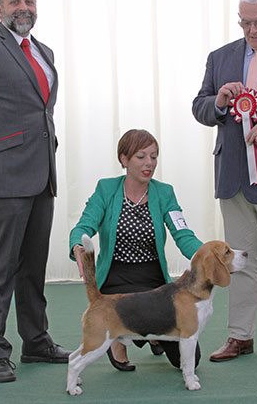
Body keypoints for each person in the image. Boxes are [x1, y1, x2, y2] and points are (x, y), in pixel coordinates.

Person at [192, 0, 257, 365]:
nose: (252, 30)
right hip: (233, 176)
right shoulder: (220, 58)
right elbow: (200, 106)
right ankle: (240, 337)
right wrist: (217, 102)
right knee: (239, 262)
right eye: (245, 22)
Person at [0, 0, 70, 383]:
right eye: (15, 1)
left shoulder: (45, 52)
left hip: (42, 175)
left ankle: (36, 342)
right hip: (3, 176)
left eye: (29, 0)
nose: (24, 7)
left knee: (32, 268)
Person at [70, 129, 202, 371]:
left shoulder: (164, 192)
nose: (149, 163)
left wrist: (206, 254)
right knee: (132, 315)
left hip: (154, 282)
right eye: (141, 156)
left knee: (191, 359)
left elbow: (183, 234)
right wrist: (78, 243)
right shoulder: (106, 189)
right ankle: (121, 339)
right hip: (116, 280)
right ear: (124, 159)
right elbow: (85, 224)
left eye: (153, 156)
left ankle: (149, 333)